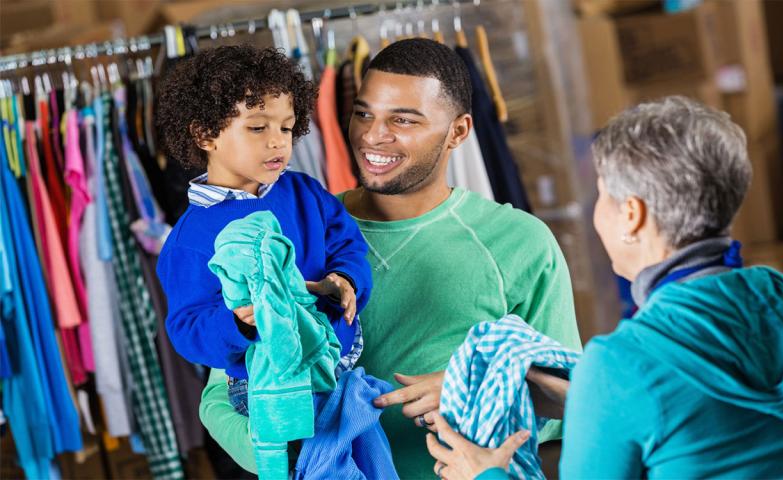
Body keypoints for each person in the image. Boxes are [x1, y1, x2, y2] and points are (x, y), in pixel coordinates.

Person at [198, 38, 582, 478]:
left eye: (403, 119)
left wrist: (472, 387)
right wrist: (290, 456)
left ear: (458, 131)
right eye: (363, 113)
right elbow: (219, 396)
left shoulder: (520, 242)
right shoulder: (291, 232)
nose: (373, 135)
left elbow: (573, 397)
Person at [426, 96, 783, 480]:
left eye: (603, 195)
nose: (596, 214)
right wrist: (587, 402)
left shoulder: (620, 363)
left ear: (632, 216)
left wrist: (484, 474)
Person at [156, 45, 372, 418]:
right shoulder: (187, 241)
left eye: (286, 127)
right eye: (257, 127)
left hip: (339, 358)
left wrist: (346, 278)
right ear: (206, 134)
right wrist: (237, 322)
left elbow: (348, 244)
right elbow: (187, 327)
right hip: (264, 384)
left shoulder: (305, 192)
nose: (278, 141)